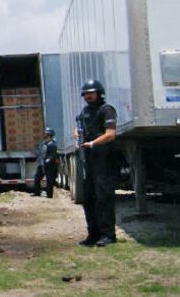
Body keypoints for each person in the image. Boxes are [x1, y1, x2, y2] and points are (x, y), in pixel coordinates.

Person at [75, 79, 117, 247]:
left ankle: (108, 235)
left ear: (99, 93)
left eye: (91, 93)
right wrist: (77, 134)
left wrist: (93, 143)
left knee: (103, 198)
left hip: (103, 160)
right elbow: (79, 126)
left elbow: (111, 134)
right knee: (88, 199)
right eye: (85, 94)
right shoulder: (85, 112)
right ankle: (93, 234)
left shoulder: (106, 110)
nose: (87, 96)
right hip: (89, 160)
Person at [31, 128, 58, 198]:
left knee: (49, 180)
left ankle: (49, 195)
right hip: (42, 164)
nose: (45, 135)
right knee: (37, 178)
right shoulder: (43, 143)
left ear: (50, 135)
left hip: (49, 165)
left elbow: (53, 154)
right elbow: (40, 152)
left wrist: (49, 159)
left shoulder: (53, 144)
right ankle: (37, 192)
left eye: (46, 134)